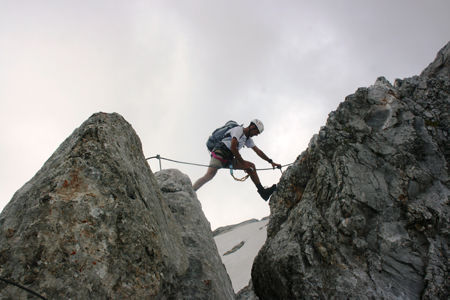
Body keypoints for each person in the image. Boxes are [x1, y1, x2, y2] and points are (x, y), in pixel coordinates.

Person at [193, 119, 281, 200]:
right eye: (256, 132)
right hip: (220, 153)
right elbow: (233, 147)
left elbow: (258, 151)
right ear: (252, 127)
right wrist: (243, 164)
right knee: (209, 175)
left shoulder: (247, 139)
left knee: (251, 167)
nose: (256, 134)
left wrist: (271, 162)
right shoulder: (238, 130)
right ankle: (192, 190)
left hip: (229, 158)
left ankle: (263, 192)